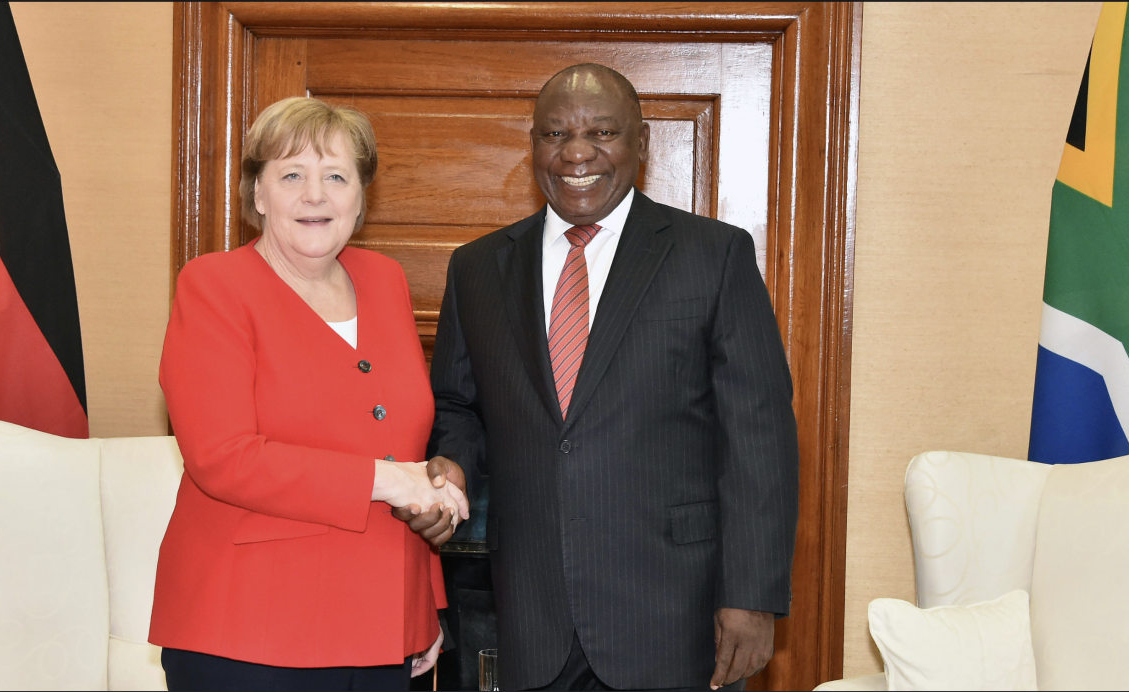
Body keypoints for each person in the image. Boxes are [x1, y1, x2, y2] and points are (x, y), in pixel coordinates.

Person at [425, 64, 800, 691]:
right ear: (533, 145)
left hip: (675, 614)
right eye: (553, 135)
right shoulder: (478, 268)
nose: (576, 153)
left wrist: (752, 595)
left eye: (602, 131)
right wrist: (453, 463)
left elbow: (759, 437)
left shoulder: (714, 255)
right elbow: (459, 406)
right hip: (530, 610)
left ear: (642, 143)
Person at [149, 96, 468, 692]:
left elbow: (401, 444)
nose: (315, 195)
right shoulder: (214, 287)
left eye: (336, 176)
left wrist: (423, 607)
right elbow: (223, 457)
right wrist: (386, 478)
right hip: (249, 634)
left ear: (360, 197)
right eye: (291, 175)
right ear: (258, 196)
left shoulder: (385, 280)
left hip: (382, 632)